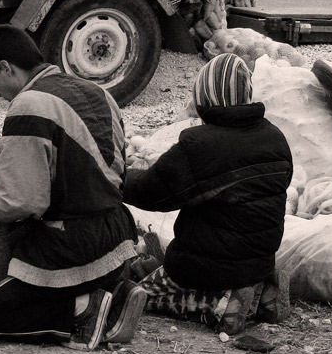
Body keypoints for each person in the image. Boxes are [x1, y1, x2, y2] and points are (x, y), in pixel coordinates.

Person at [0, 24, 146, 351]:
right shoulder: (100, 93)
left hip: (69, 249)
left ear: (7, 67)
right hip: (118, 238)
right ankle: (113, 291)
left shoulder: (29, 104)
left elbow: (19, 202)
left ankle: (83, 309)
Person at [122, 53, 293, 335]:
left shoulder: (200, 145)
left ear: (205, 96)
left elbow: (151, 192)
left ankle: (217, 306)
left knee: (143, 295)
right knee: (238, 261)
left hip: (206, 267)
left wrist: (116, 177)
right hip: (259, 262)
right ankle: (263, 294)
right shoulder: (275, 137)